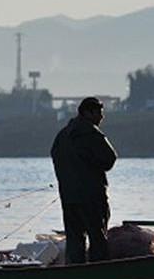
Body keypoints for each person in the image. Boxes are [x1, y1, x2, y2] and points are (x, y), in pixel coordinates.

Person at [50, 97, 117, 264]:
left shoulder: (62, 135)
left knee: (74, 241)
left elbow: (55, 157)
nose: (102, 118)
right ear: (87, 112)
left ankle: (75, 275)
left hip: (69, 198)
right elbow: (110, 159)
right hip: (92, 197)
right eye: (99, 113)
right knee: (97, 239)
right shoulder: (91, 133)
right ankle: (98, 275)